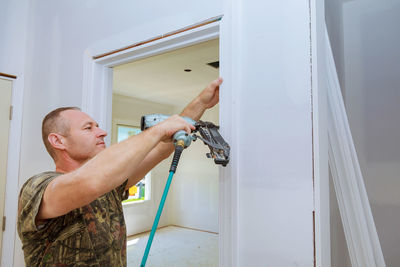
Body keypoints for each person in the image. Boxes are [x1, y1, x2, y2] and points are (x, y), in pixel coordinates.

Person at [17, 78, 223, 266]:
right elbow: (89, 182)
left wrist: (201, 102)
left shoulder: (111, 185)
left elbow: (161, 149)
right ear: (58, 141)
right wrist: (158, 129)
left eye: (97, 126)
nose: (102, 131)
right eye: (88, 128)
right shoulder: (38, 187)